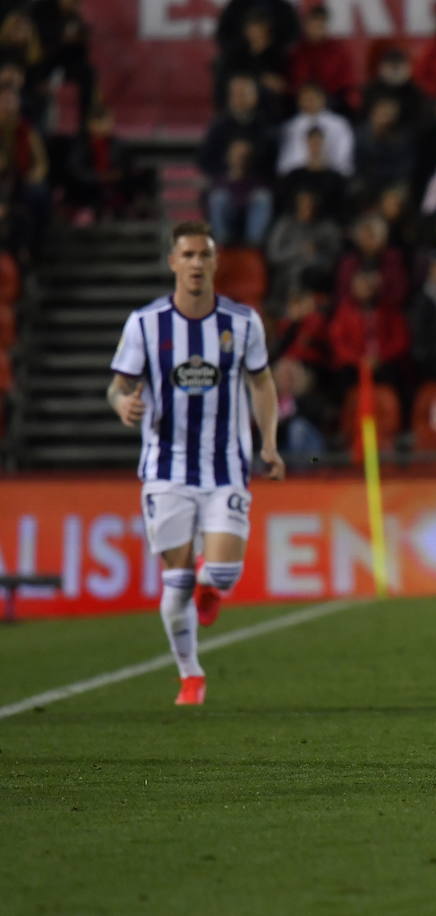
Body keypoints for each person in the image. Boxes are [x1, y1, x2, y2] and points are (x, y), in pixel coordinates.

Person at [106, 221, 285, 706]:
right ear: (172, 262)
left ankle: (212, 587)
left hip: (225, 465)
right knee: (178, 580)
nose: (196, 264)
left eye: (204, 255)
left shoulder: (242, 322)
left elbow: (262, 382)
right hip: (165, 470)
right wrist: (122, 404)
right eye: (187, 255)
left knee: (221, 574)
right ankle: (191, 675)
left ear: (215, 262)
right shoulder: (144, 324)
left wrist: (268, 442)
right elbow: (118, 384)